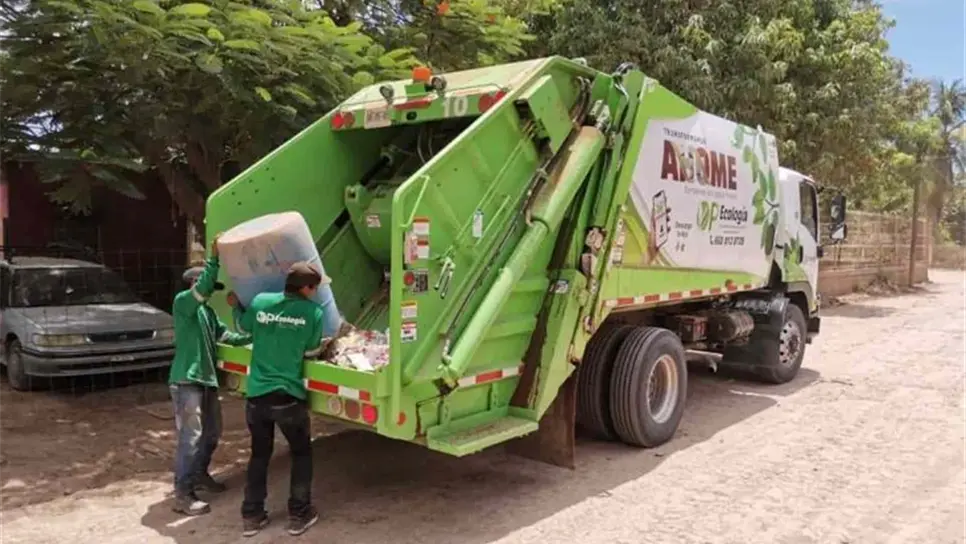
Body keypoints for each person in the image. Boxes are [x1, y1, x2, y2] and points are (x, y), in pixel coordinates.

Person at [230, 262, 330, 537]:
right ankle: (299, 514)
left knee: (260, 455)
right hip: (288, 397)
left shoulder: (262, 302)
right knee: (300, 453)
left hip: (257, 397)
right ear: (306, 288)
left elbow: (243, 329)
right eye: (315, 288)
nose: (316, 293)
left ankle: (252, 516)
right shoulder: (313, 312)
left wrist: (236, 306)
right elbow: (310, 352)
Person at [169, 234, 252, 516]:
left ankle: (200, 475)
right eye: (206, 287)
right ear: (194, 283)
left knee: (212, 434)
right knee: (190, 438)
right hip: (187, 380)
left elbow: (227, 336)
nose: (210, 293)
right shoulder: (184, 304)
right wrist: (214, 258)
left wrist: (254, 331)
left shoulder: (206, 313)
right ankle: (182, 493)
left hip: (205, 381)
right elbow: (204, 287)